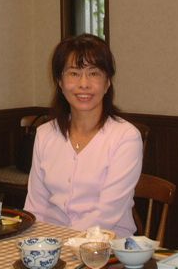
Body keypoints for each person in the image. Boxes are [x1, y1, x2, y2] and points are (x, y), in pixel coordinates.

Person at [24, 34, 143, 236]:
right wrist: (36, 244)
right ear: (60, 82)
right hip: (50, 246)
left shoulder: (126, 137)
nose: (84, 84)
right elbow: (35, 206)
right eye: (74, 73)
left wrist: (63, 243)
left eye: (94, 73)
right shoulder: (45, 134)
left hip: (107, 245)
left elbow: (107, 213)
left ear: (107, 83)